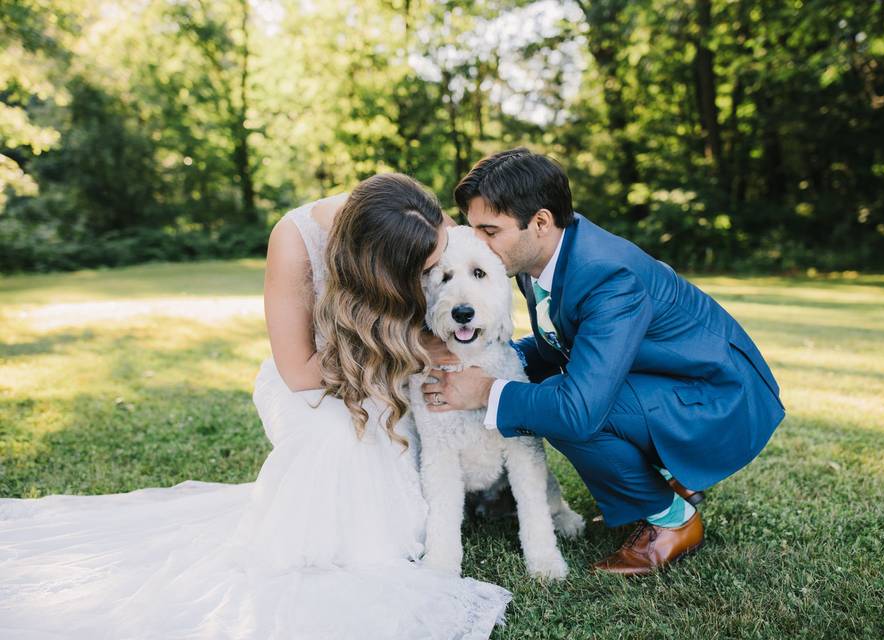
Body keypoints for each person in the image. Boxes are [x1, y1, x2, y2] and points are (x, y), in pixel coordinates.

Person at [0, 174, 511, 639]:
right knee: (336, 444)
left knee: (400, 507)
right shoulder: (294, 241)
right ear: (379, 262)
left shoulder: (416, 215)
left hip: (386, 376)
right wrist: (411, 349)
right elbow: (298, 372)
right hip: (314, 382)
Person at [422, 148, 786, 576]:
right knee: (558, 397)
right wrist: (493, 359)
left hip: (720, 400)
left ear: (539, 222)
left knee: (566, 406)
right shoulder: (534, 256)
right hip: (671, 379)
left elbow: (579, 409)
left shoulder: (608, 276)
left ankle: (672, 521)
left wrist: (485, 389)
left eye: (489, 231)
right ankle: (663, 480)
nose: (479, 243)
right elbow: (560, 342)